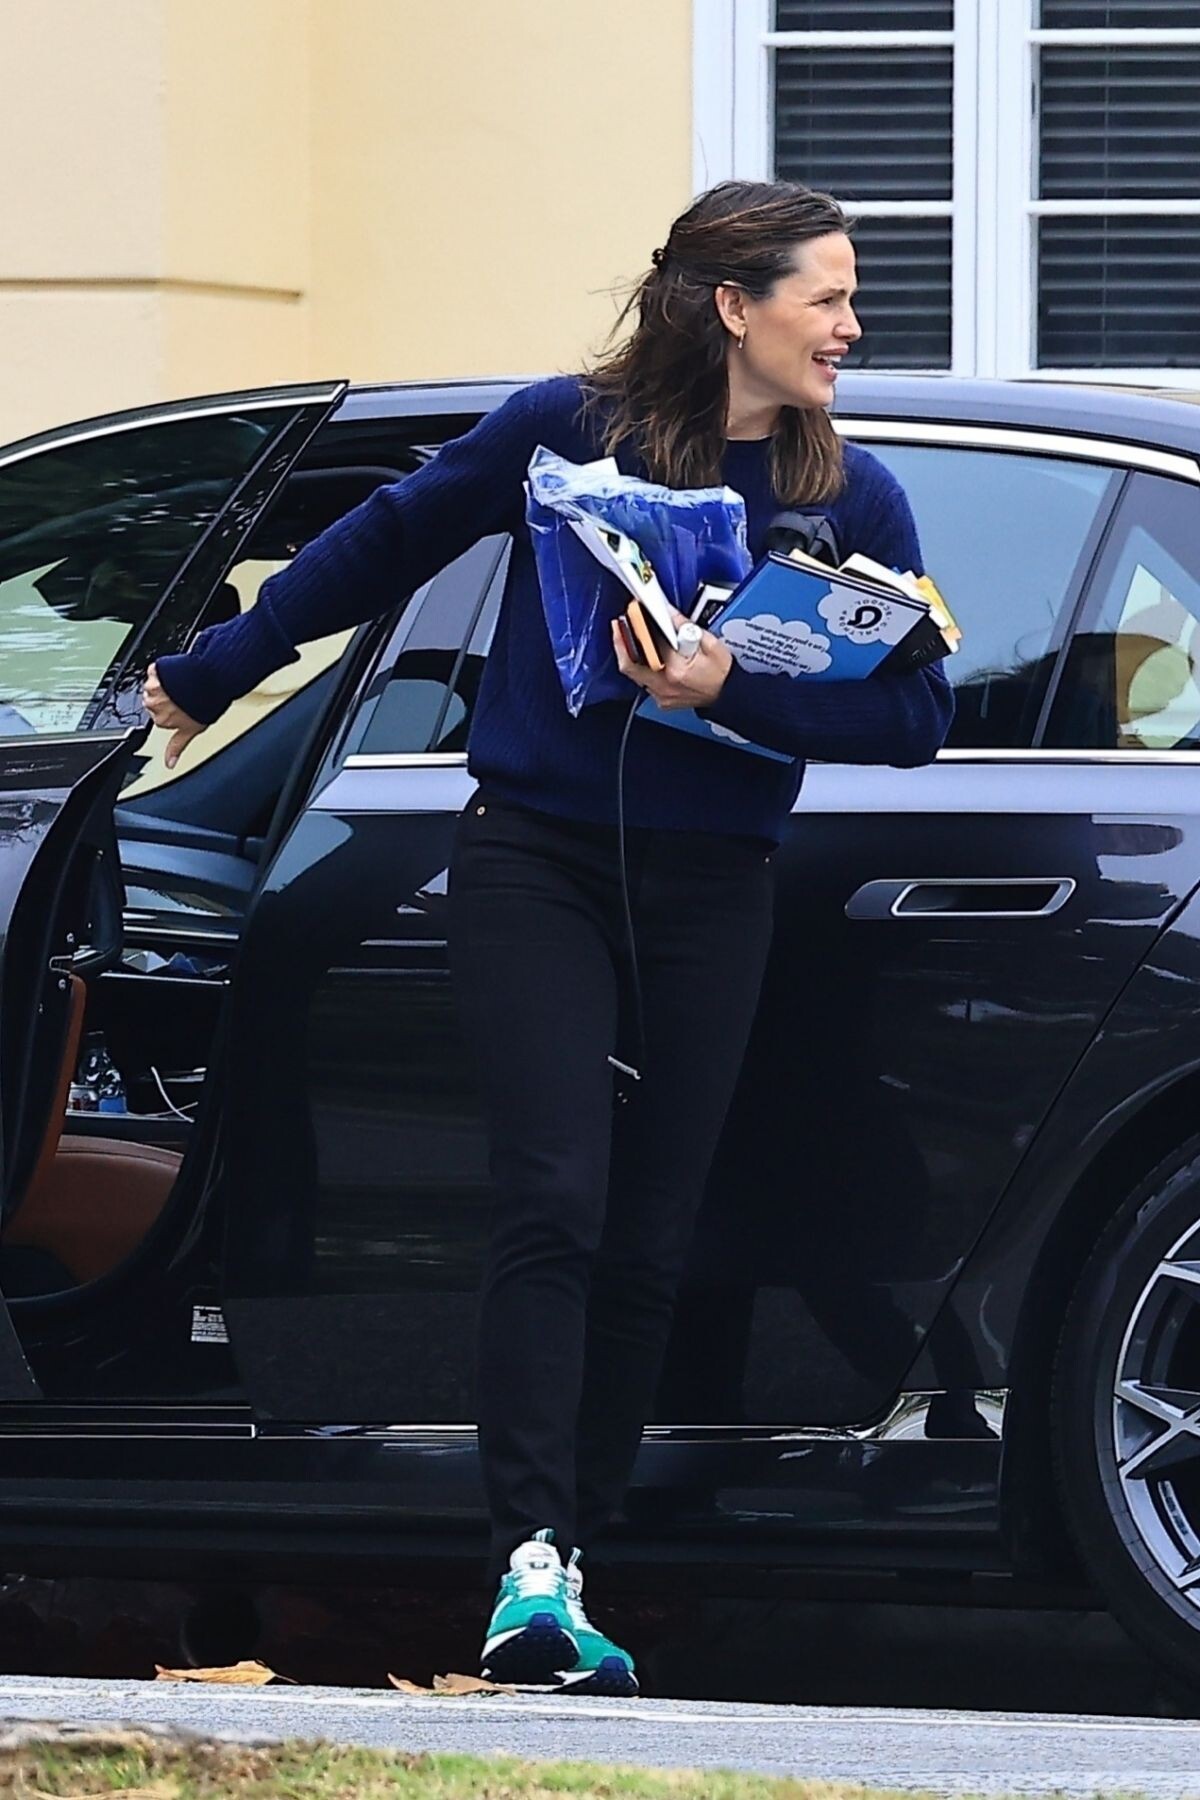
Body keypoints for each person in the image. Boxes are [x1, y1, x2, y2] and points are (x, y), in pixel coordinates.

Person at [142, 179, 954, 1696]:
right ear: (736, 306)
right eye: (830, 296)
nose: (853, 325)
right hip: (536, 860)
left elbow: (917, 717)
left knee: (650, 1233)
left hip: (716, 883)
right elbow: (385, 541)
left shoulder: (853, 496)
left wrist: (730, 691)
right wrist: (217, 666)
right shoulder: (562, 431)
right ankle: (525, 1562)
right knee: (554, 1197)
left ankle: (568, 1566)